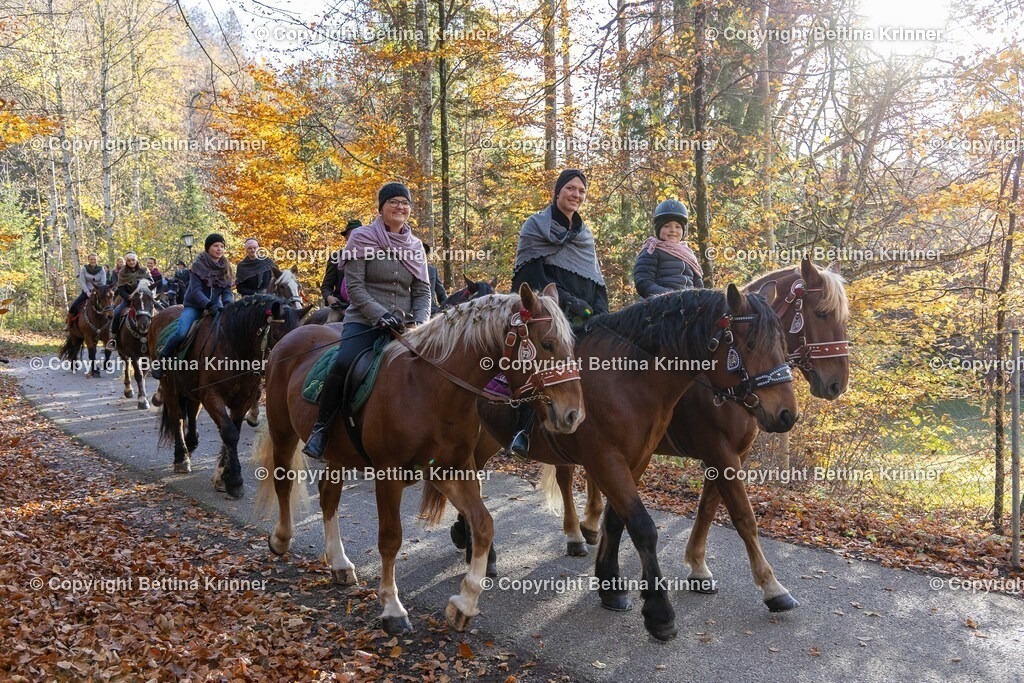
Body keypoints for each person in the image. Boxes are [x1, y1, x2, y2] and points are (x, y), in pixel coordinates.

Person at [303, 184, 431, 460]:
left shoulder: (415, 246)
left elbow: (422, 291)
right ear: (381, 207)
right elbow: (355, 287)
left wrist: (421, 323)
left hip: (407, 325)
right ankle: (321, 428)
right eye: (394, 202)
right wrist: (379, 315)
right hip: (364, 321)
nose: (400, 207)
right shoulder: (361, 238)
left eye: (404, 203)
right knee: (344, 361)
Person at [507, 168, 608, 457]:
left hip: (586, 315)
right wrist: (569, 302)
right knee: (537, 362)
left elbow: (596, 278)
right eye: (571, 189)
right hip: (547, 315)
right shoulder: (535, 226)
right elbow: (529, 279)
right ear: (558, 191)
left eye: (581, 191)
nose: (576, 195)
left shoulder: (584, 234)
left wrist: (601, 310)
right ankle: (523, 430)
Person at [151, 234, 234, 380]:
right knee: (182, 332)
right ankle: (162, 360)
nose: (219, 249)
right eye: (215, 246)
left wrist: (228, 305)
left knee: (231, 331)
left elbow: (227, 291)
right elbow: (195, 291)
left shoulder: (226, 266)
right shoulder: (198, 265)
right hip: (195, 306)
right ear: (208, 248)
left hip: (217, 306)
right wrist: (208, 305)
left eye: (221, 246)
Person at [633, 199, 704, 297]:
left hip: (688, 304)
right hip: (661, 305)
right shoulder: (651, 251)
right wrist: (670, 296)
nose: (673, 230)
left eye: (678, 227)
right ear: (659, 229)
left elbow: (698, 284)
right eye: (667, 226)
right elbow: (644, 283)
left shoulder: (688, 255)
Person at [319, 219, 361, 323]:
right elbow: (326, 286)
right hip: (341, 307)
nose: (356, 237)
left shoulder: (371, 256)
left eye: (360, 233)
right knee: (329, 327)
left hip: (365, 306)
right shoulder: (336, 257)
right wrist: (329, 298)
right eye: (352, 234)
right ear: (346, 237)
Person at [109, 252, 153, 346]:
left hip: (145, 299)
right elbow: (121, 289)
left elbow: (151, 283)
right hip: (129, 298)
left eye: (133, 260)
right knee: (117, 312)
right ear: (126, 262)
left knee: (162, 309)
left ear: (136, 260)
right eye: (129, 260)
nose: (131, 262)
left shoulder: (144, 270)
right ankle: (113, 338)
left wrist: (145, 286)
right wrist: (128, 297)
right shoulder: (122, 272)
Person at [68, 253, 107, 319]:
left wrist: (98, 291)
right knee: (74, 305)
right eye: (91, 259)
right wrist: (87, 292)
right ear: (88, 260)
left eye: (94, 259)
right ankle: (69, 322)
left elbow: (103, 282)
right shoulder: (84, 268)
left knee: (108, 305)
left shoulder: (101, 269)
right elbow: (82, 282)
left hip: (99, 292)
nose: (93, 261)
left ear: (97, 260)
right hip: (87, 291)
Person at [423, 243, 448, 315]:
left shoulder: (432, 270)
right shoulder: (406, 270)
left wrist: (447, 308)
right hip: (410, 313)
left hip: (432, 310)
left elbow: (441, 294)